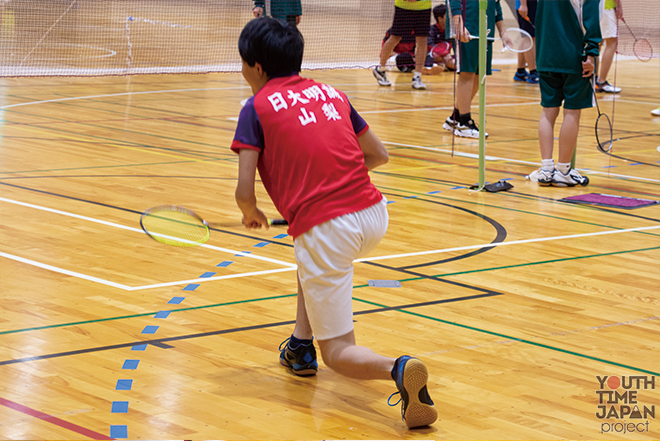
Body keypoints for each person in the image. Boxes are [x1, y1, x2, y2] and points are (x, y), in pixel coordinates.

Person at [232, 17, 438, 429]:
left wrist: (250, 213)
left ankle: (398, 368)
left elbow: (243, 189)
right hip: (374, 213)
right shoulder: (331, 93)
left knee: (340, 352)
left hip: (329, 230)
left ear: (256, 67)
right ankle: (300, 347)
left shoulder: (254, 107)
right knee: (308, 260)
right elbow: (377, 155)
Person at [530, 0, 601, 187]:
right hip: (574, 56)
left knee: (548, 111)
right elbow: (591, 20)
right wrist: (592, 53)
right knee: (572, 112)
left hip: (545, 54)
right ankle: (563, 171)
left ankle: (545, 169)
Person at [442, 0, 508, 138]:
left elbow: (496, 5)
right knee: (467, 73)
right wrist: (459, 24)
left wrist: (503, 32)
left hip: (485, 31)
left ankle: (455, 118)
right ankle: (465, 123)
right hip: (466, 29)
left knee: (479, 75)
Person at [373, 0, 432, 90]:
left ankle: (417, 76)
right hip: (404, 7)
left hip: (424, 7)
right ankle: (380, 69)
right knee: (395, 38)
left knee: (422, 41)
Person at [595, 0, 622, 93]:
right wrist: (618, 6)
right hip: (606, 7)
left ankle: (593, 81)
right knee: (612, 42)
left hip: (593, 7)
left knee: (596, 43)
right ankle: (601, 82)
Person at [513, 0, 539, 83]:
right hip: (528, 4)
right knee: (530, 37)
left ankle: (520, 71)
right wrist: (523, 5)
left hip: (526, 5)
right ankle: (533, 72)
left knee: (525, 36)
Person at [428, 4, 455, 71]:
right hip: (431, 58)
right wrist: (445, 53)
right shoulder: (431, 30)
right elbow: (429, 45)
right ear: (440, 18)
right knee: (434, 54)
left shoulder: (451, 31)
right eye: (448, 16)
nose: (451, 18)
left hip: (447, 59)